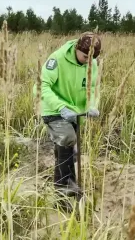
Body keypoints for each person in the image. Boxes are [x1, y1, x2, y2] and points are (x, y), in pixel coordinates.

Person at [34, 32, 101, 197]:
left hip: (76, 112)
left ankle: (64, 187)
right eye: (85, 56)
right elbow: (42, 86)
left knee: (69, 151)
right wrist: (61, 107)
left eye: (91, 58)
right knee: (68, 138)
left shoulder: (92, 62)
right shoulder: (57, 59)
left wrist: (92, 105)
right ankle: (65, 189)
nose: (88, 61)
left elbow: (92, 88)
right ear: (77, 48)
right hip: (53, 109)